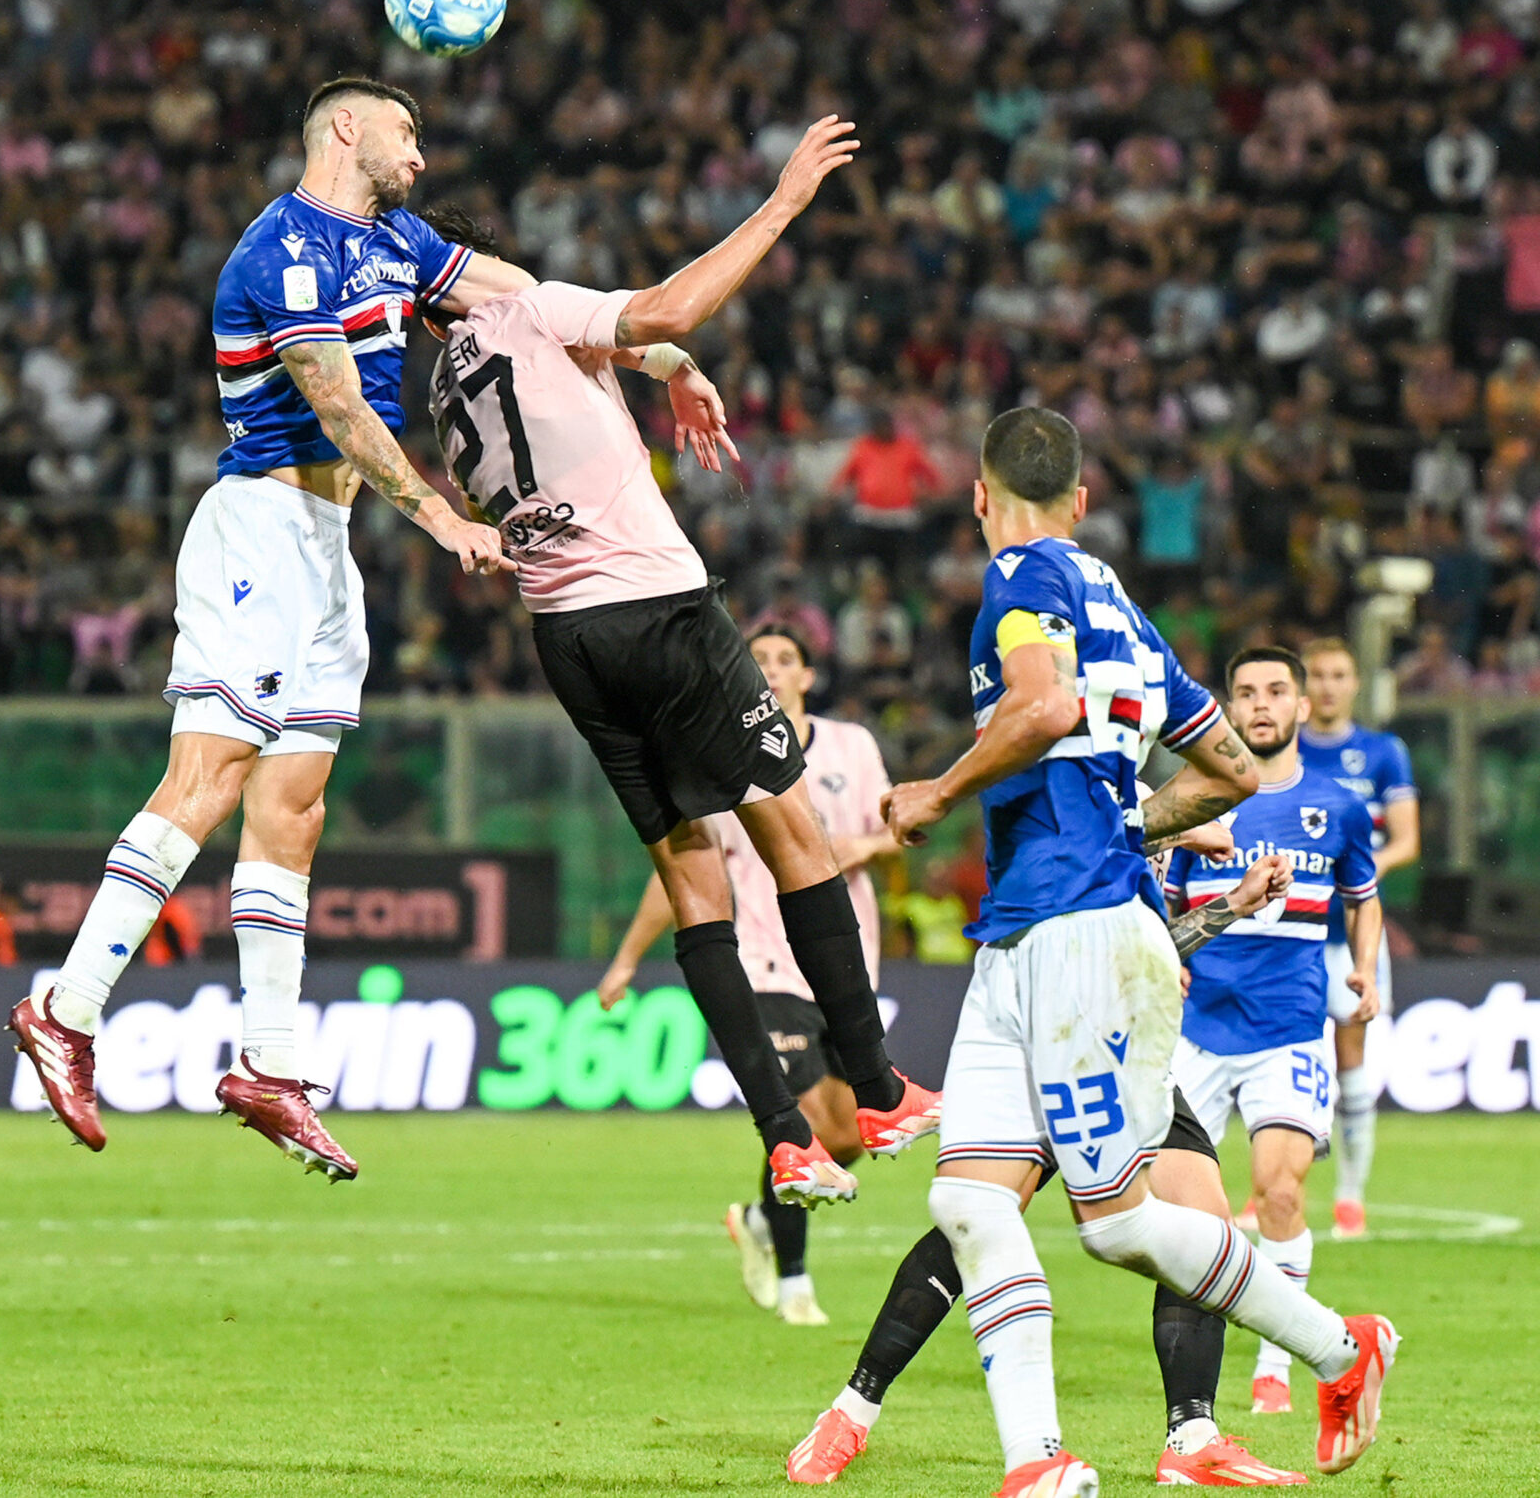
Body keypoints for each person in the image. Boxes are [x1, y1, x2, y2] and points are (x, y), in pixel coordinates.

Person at [6, 76, 526, 1179]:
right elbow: (337, 403)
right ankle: (66, 1006)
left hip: (328, 552)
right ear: (347, 129)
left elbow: (517, 294)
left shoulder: (398, 243)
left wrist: (643, 342)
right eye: (407, 131)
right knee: (210, 778)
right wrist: (439, 515)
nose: (420, 156)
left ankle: (269, 1065)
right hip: (260, 531)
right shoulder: (280, 250)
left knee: (294, 808)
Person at [875, 407, 1397, 1496]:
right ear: (1079, 497)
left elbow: (1041, 704)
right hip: (1024, 927)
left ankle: (1344, 1348)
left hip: (1080, 930)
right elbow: (1228, 772)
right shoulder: (1119, 602)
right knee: (969, 1200)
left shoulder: (1021, 575)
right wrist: (1128, 823)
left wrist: (937, 787)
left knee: (1116, 1226)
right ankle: (1038, 1462)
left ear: (979, 495)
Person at [423, 116, 939, 1207]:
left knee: (690, 872)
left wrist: (668, 367)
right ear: (466, 269)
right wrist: (784, 199)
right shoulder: (521, 305)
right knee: (792, 833)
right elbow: (663, 307)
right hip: (657, 606)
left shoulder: (446, 388)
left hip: (565, 634)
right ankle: (877, 1084)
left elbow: (627, 352)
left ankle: (784, 1136)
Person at [784, 848, 1316, 1490]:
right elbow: (1063, 931)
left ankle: (1193, 1438)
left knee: (1204, 1226)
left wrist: (1227, 905)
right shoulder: (1075, 803)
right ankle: (850, 1412)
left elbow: (1146, 934)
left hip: (1128, 1055)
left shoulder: (1137, 806)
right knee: (977, 1224)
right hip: (1046, 1038)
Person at [597, 626, 899, 1325]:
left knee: (851, 1132)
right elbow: (681, 871)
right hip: (764, 964)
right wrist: (626, 959)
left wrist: (868, 839)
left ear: (807, 676)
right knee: (801, 1121)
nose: (769, 668)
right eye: (757, 658)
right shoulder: (717, 755)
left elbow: (894, 832)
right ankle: (795, 1281)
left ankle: (763, 1220)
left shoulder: (852, 747)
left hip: (843, 963)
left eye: (783, 659)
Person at [1167, 647, 1383, 1417]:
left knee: (1280, 1193)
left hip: (1289, 1029)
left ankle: (1274, 1364)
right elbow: (1158, 904)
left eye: (1276, 691)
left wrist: (1363, 967)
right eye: (1246, 693)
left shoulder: (1339, 805)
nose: (1261, 704)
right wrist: (1173, 956)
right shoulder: (1192, 801)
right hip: (1194, 1033)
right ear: (1227, 707)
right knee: (1189, 1219)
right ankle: (1193, 1395)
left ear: (1300, 707)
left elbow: (1364, 895)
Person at [1295, 638, 1418, 1239]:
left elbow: (1405, 840)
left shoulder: (1381, 752)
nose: (1327, 686)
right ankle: (1277, 1187)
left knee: (1350, 1062)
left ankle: (1349, 1195)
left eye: (1339, 675)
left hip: (1349, 931)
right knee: (1276, 1059)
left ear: (1355, 683)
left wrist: (1355, 872)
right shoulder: (1279, 749)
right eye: (1316, 675)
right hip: (1287, 930)